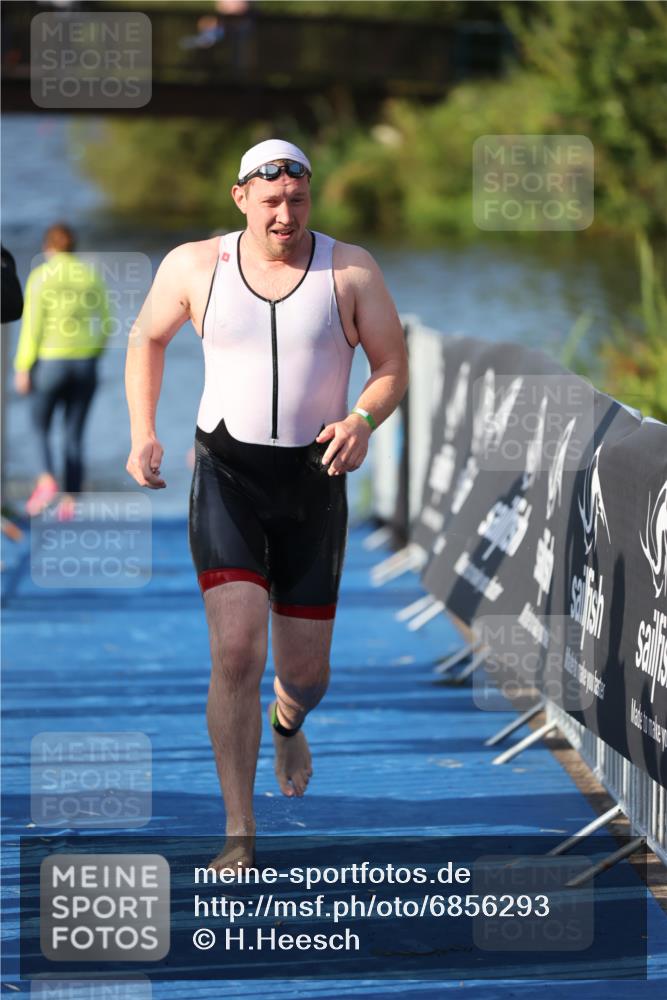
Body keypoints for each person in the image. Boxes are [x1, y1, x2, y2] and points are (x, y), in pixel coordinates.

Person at [125, 139, 408, 870]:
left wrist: (363, 420)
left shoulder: (350, 269)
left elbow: (391, 365)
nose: (286, 214)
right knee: (235, 650)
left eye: (298, 200)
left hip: (314, 482)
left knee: (307, 676)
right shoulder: (195, 266)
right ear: (241, 197)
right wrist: (144, 432)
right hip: (228, 477)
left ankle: (289, 722)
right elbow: (146, 339)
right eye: (272, 201)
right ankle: (239, 829)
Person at [13, 223, 111, 519]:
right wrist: (94, 352)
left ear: (48, 248)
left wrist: (22, 366)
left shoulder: (41, 276)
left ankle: (45, 480)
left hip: (50, 362)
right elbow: (106, 322)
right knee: (74, 434)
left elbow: (32, 326)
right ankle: (70, 502)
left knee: (39, 425)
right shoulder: (90, 274)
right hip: (85, 362)